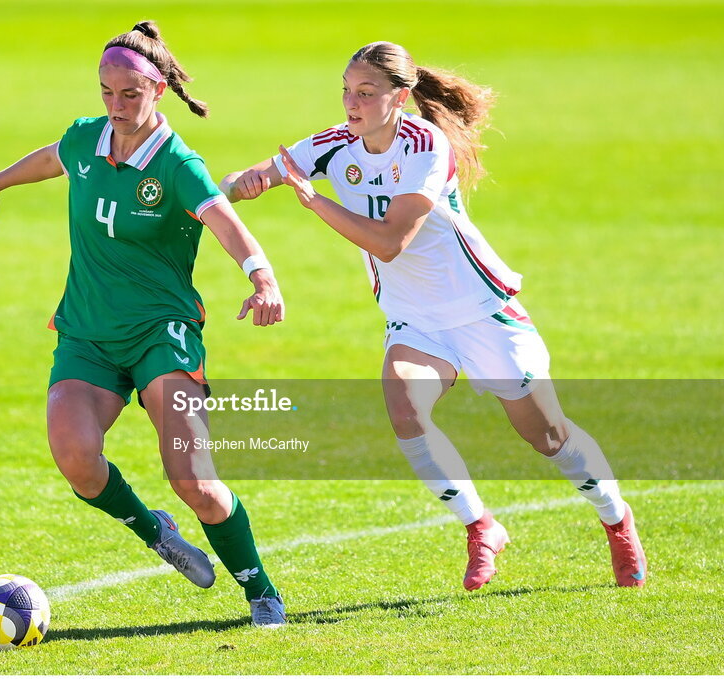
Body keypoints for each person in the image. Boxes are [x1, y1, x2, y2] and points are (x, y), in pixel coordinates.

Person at [219, 41, 646, 591]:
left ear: (399, 97)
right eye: (347, 91)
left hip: (481, 310)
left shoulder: (426, 146)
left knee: (549, 437)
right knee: (403, 407)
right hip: (415, 321)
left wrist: (315, 202)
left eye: (367, 93)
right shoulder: (332, 144)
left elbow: (391, 242)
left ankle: (617, 520)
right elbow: (253, 175)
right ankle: (481, 526)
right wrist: (235, 186)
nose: (352, 103)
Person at [0, 21, 286, 625]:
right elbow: (52, 159)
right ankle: (154, 530)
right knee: (76, 459)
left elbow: (225, 223)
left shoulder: (176, 163)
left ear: (158, 90)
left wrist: (262, 278)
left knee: (194, 479)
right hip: (88, 334)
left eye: (130, 95)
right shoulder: (87, 139)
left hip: (161, 333)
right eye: (106, 93)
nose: (116, 107)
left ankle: (260, 590)